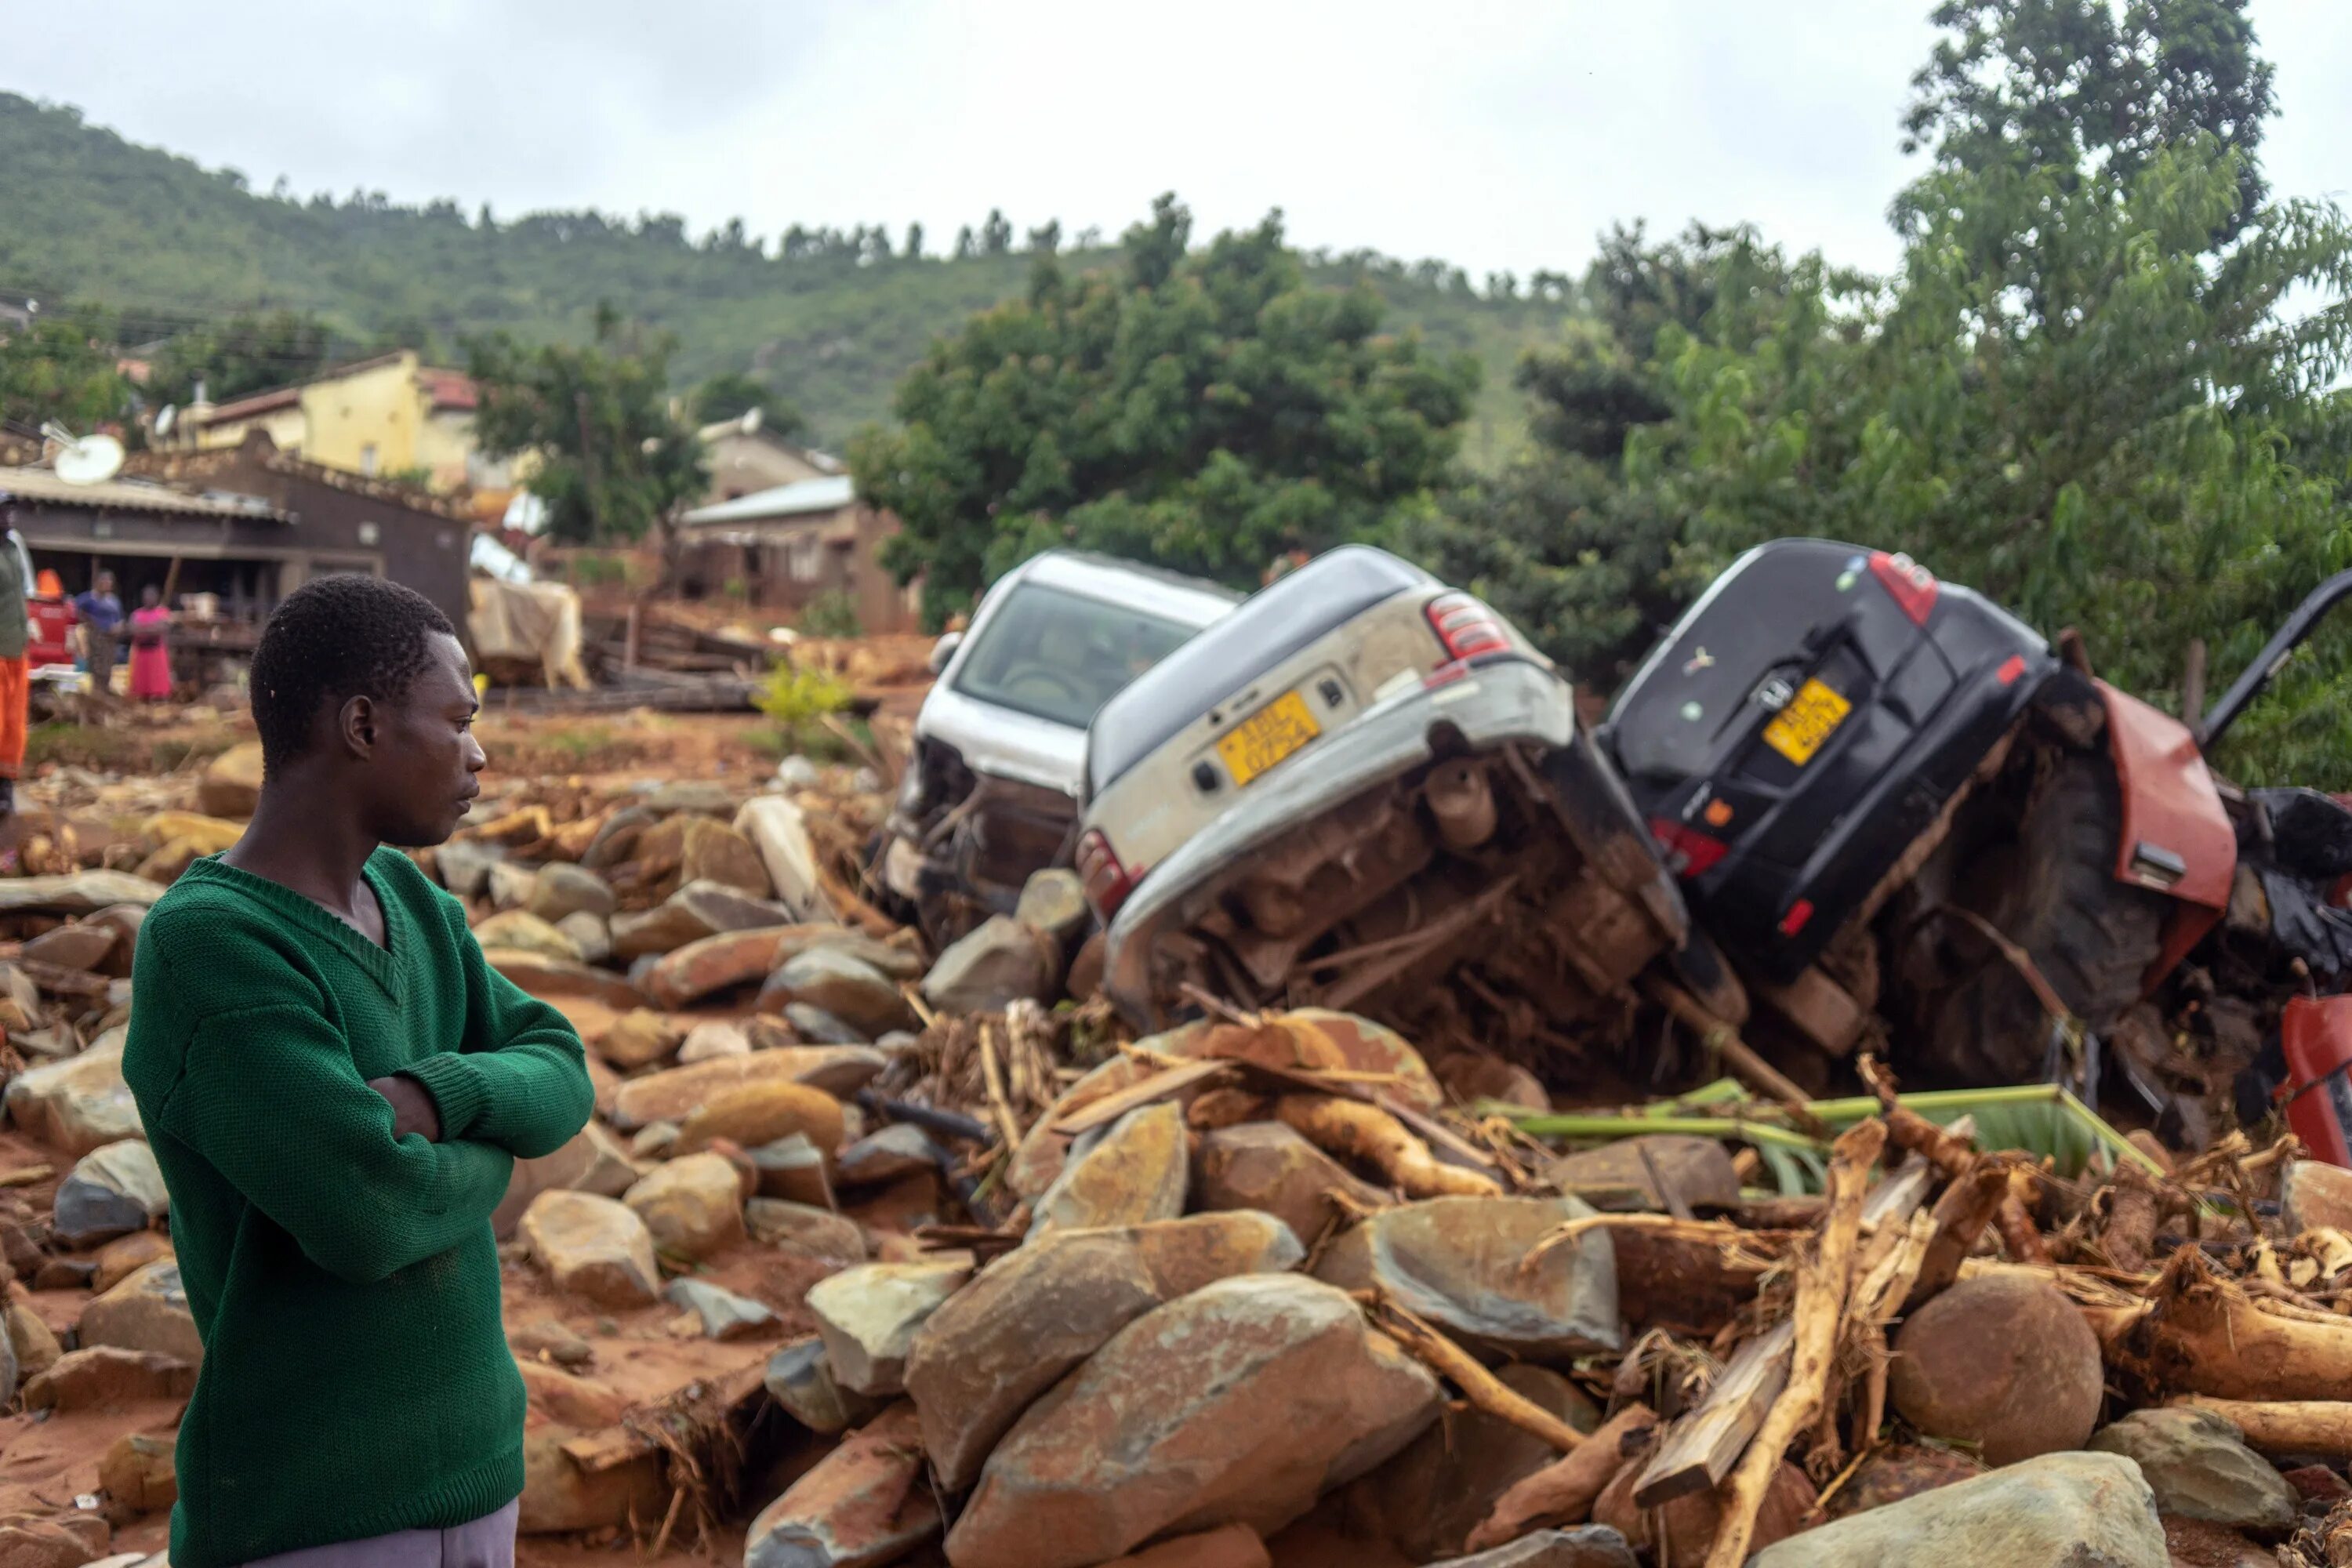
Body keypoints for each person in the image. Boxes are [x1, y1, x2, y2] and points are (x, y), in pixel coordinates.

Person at [122, 576, 593, 1568]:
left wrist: (437, 1099)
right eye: (459, 719)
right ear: (365, 724)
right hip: (314, 1510)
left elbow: (560, 1063)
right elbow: (367, 1212)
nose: (479, 752)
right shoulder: (210, 943)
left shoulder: (410, 901)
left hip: (479, 1466)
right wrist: (504, 1167)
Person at [0, 521, 27, 822]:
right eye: (4, 509)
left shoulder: (13, 548)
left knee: (12, 726)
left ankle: (5, 789)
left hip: (16, 649)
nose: (9, 516)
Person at [72, 569, 122, 695]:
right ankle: (95, 694)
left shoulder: (113, 601)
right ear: (97, 582)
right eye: (104, 581)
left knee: (107, 669)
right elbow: (74, 611)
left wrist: (118, 627)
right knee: (96, 669)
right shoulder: (88, 598)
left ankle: (104, 693)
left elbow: (119, 618)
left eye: (110, 581)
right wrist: (89, 622)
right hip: (95, 638)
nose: (107, 584)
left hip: (110, 640)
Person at [128, 583, 172, 701]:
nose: (149, 598)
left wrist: (142, 629)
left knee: (159, 687)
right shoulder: (136, 614)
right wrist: (152, 628)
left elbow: (161, 629)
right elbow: (132, 630)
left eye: (152, 595)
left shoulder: (163, 612)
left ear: (157, 597)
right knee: (142, 687)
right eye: (146, 595)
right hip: (141, 653)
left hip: (157, 652)